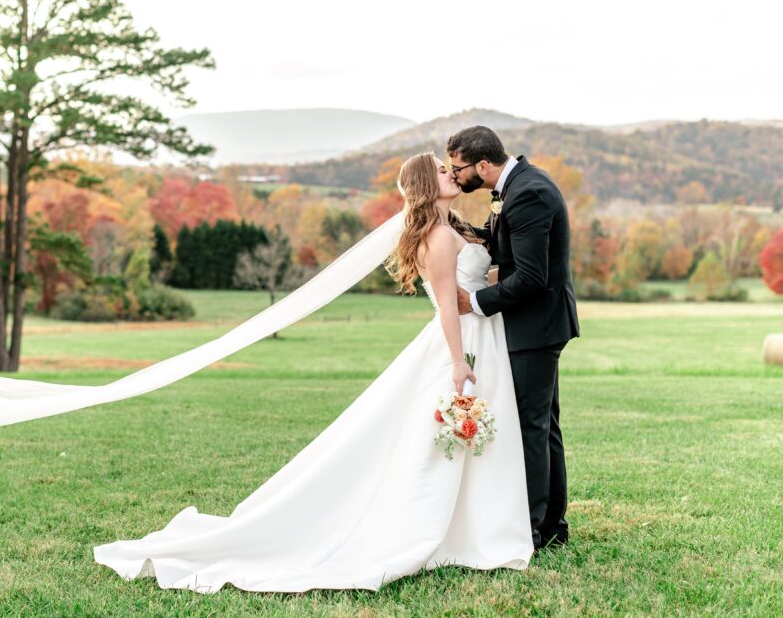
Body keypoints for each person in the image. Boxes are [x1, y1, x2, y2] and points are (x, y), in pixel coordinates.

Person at [92, 152, 534, 592]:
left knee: (467, 436)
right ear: (424, 183)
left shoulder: (450, 228)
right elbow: (447, 308)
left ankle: (474, 526)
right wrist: (458, 362)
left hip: (483, 335)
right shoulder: (436, 238)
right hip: (464, 343)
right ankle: (447, 529)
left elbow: (475, 283)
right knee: (445, 437)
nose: (451, 174)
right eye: (441, 170)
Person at [447, 125, 580, 551]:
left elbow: (532, 276)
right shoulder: (512, 188)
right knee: (544, 425)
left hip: (536, 325)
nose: (456, 175)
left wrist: (476, 302)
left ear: (482, 164)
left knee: (531, 426)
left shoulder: (528, 193)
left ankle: (534, 529)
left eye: (458, 168)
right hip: (534, 323)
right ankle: (553, 524)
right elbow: (504, 247)